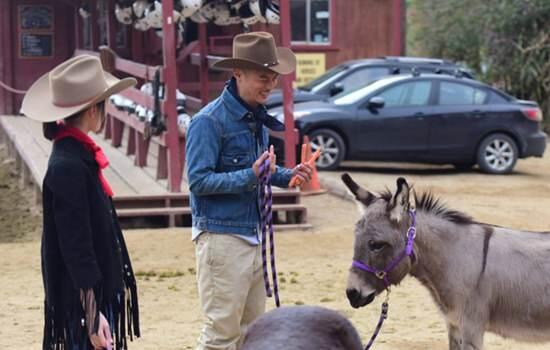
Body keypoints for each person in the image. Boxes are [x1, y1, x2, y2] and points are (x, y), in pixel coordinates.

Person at [186, 32, 313, 350]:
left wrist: (289, 176)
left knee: (253, 333)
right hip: (221, 239)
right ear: (237, 73)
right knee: (222, 336)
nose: (269, 85)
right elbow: (199, 183)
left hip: (251, 236)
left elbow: (261, 171)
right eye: (262, 78)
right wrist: (250, 175)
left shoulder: (251, 117)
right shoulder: (208, 122)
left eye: (272, 78)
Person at [21, 55, 140, 350]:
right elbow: (76, 247)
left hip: (90, 296)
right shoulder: (68, 166)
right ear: (92, 110)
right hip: (83, 301)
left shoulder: (76, 156)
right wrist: (91, 314)